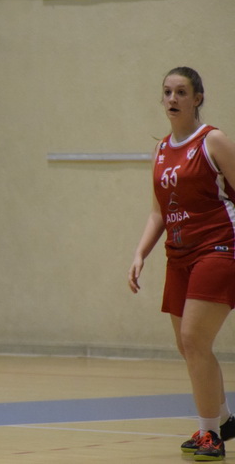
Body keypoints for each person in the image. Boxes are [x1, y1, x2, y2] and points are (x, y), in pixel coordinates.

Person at [128, 66, 235, 462]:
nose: (172, 99)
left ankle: (211, 435)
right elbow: (158, 212)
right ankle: (223, 419)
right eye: (167, 92)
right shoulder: (160, 150)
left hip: (219, 247)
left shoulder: (212, 141)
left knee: (194, 339)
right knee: (188, 346)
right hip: (178, 254)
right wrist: (140, 253)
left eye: (181, 92)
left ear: (197, 99)